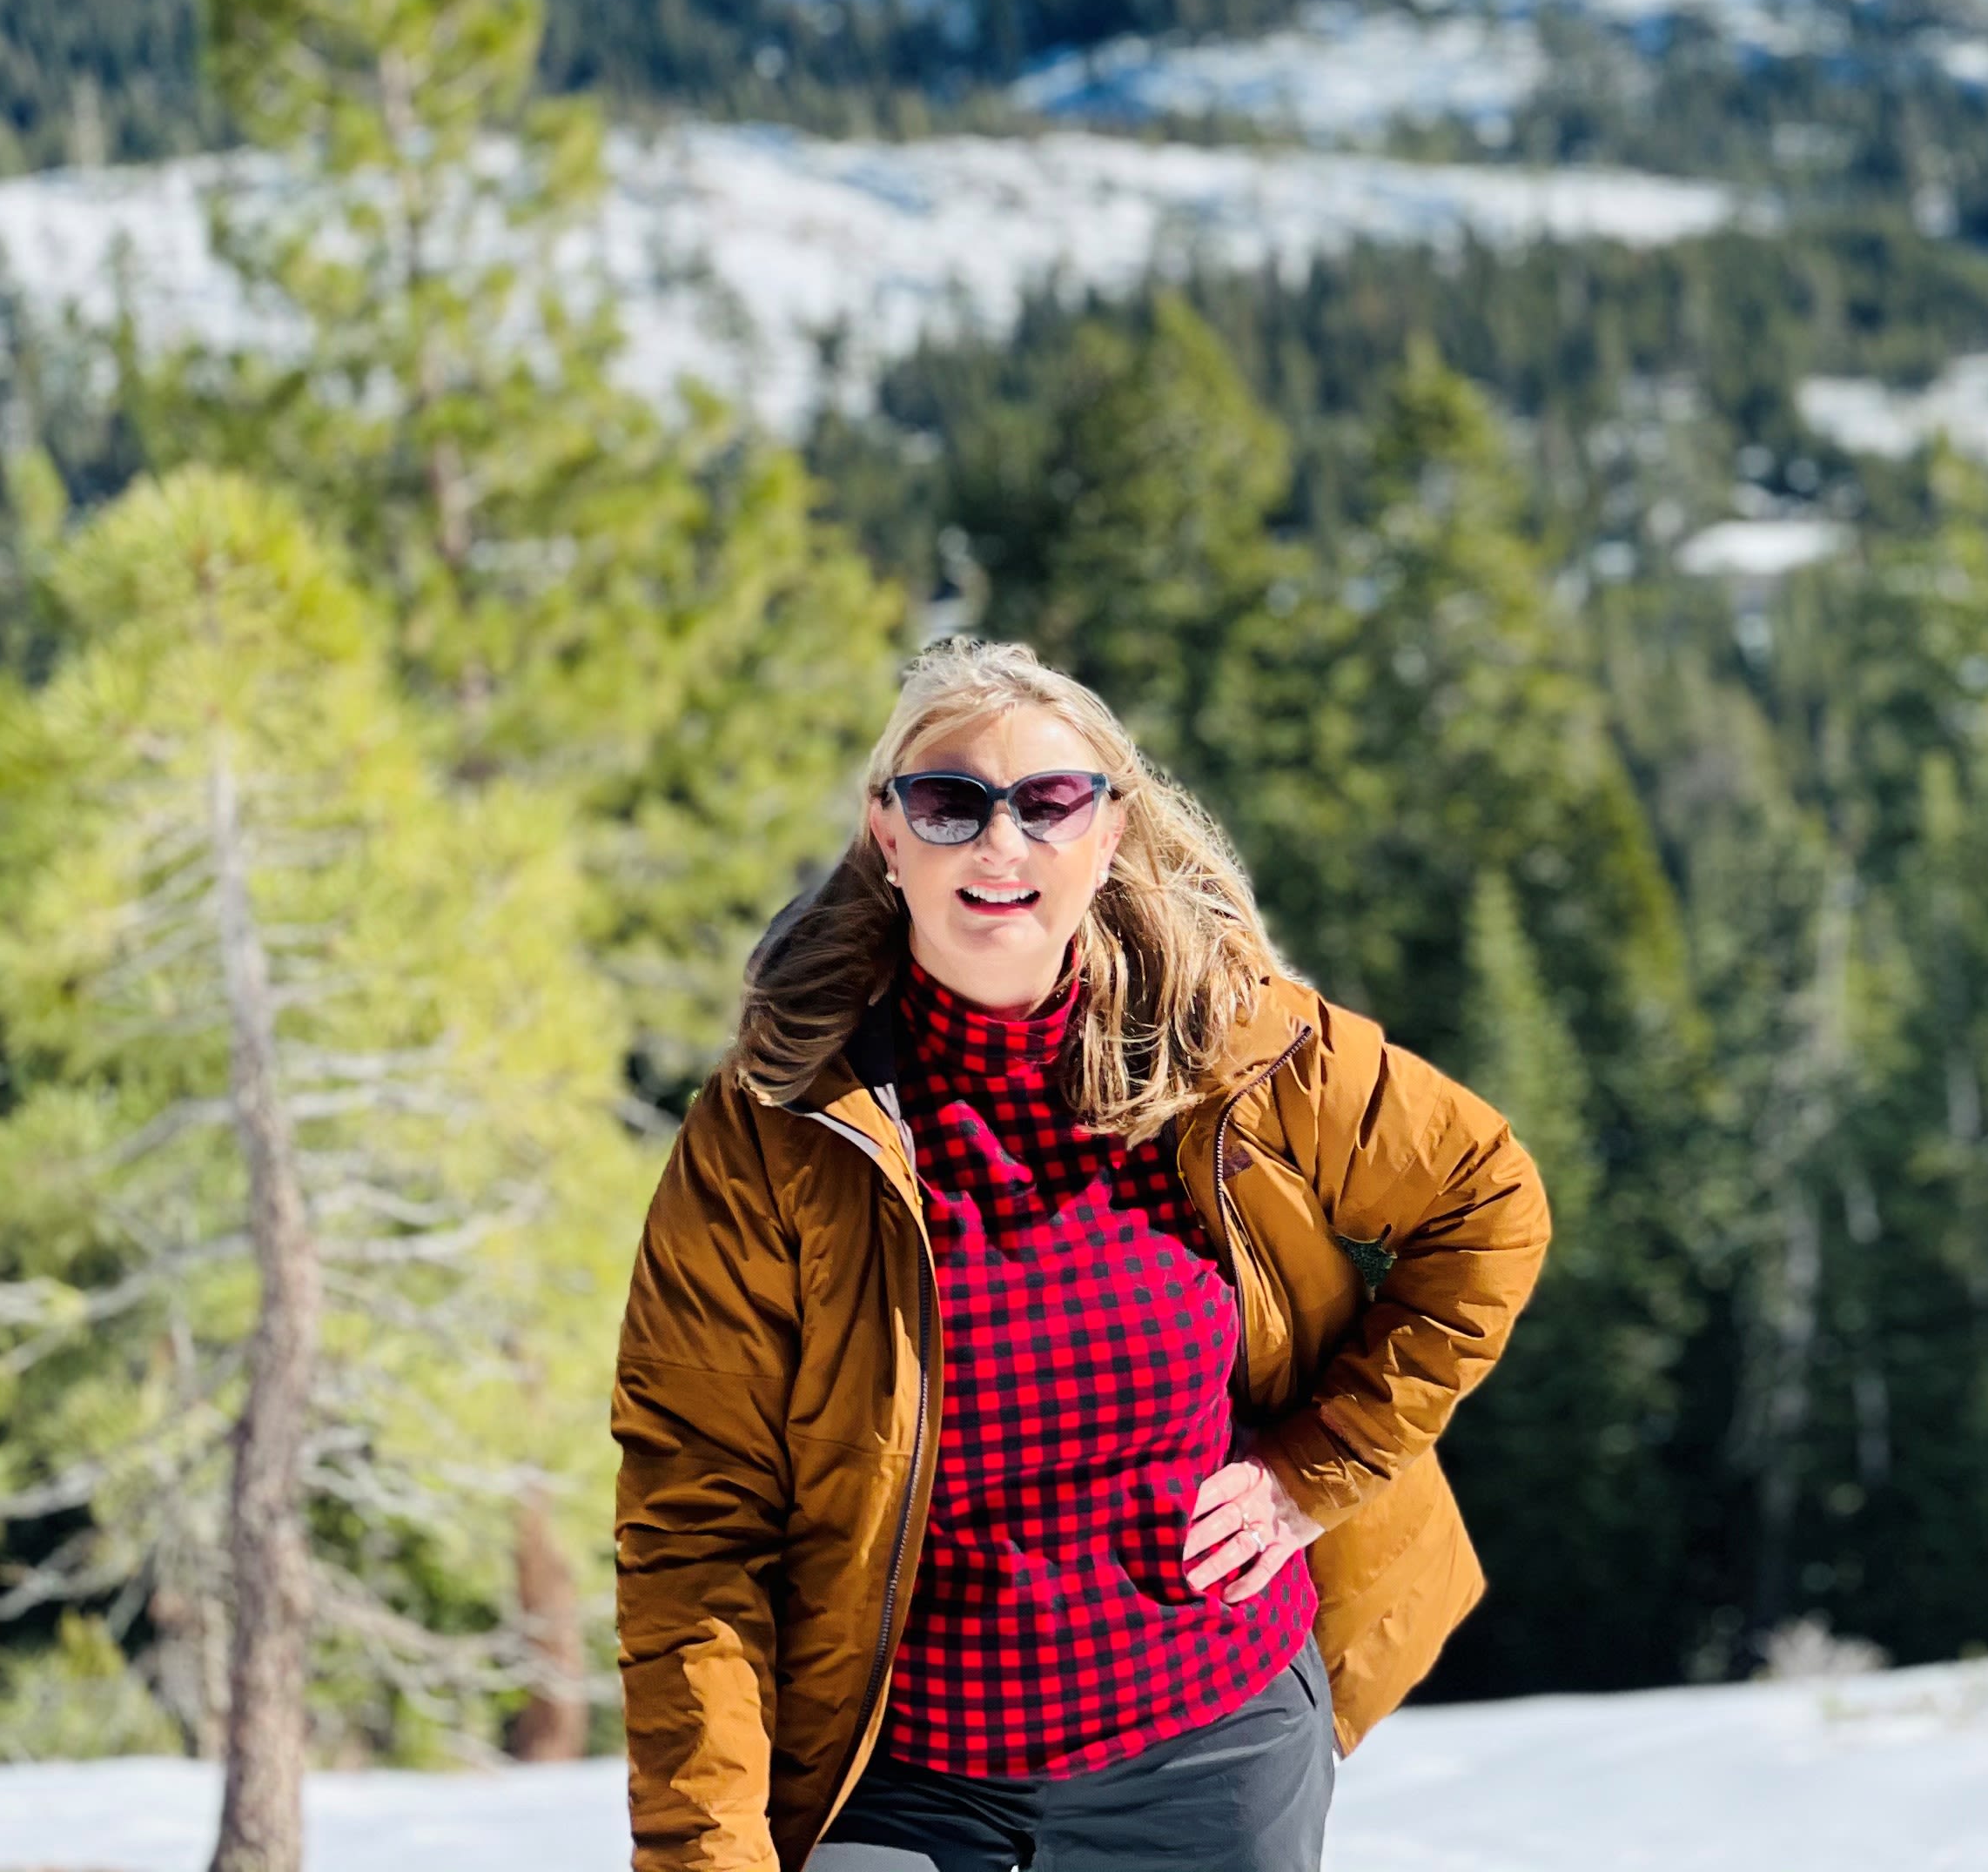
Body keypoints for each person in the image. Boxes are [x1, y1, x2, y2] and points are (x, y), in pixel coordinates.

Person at [612, 637, 1550, 1872]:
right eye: (950, 804)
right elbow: (695, 1521)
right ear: (887, 837)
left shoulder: (1235, 1050)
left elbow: (1487, 1201)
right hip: (897, 1784)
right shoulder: (774, 1129)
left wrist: (1312, 1468)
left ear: (1106, 835)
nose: (1001, 847)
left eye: (1048, 804)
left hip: (1211, 1760)